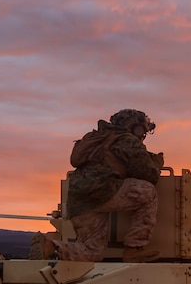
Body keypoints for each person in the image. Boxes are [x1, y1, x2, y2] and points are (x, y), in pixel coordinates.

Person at [31, 108, 163, 263]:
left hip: (78, 197)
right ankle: (134, 248)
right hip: (104, 189)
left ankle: (51, 247)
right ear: (135, 127)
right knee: (149, 192)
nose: (143, 135)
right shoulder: (127, 140)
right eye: (143, 131)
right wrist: (156, 163)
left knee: (93, 252)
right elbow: (149, 175)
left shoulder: (95, 138)